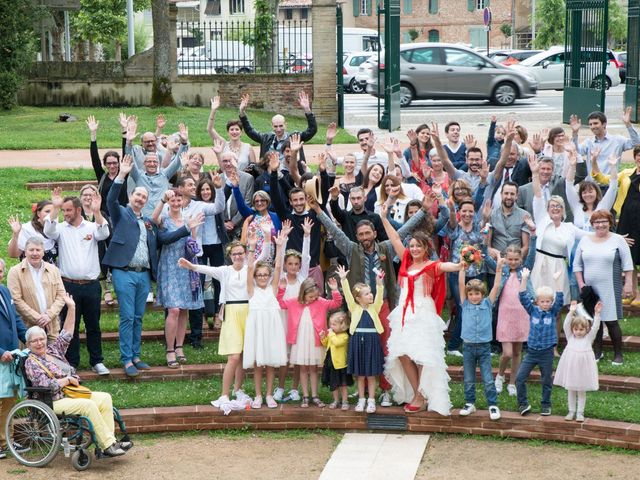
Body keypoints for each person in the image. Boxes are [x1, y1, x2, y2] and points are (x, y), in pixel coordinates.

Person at [313, 196, 433, 408]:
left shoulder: (385, 248)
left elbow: (403, 231)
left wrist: (423, 210)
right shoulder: (352, 249)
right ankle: (363, 394)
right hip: (360, 310)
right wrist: (319, 212)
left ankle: (385, 390)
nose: (364, 237)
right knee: (362, 348)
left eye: (368, 233)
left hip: (383, 304)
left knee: (386, 348)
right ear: (357, 237)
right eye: (360, 234)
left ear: (375, 234)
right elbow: (335, 231)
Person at [103, 156, 185, 377]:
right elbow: (110, 200)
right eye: (138, 195)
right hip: (124, 272)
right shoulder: (121, 214)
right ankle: (126, 359)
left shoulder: (148, 223)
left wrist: (185, 226)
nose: (140, 199)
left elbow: (162, 236)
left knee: (138, 317)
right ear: (131, 197)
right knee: (127, 317)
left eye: (144, 196)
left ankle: (136, 356)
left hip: (143, 275)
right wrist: (121, 174)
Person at [24, 293, 130, 458]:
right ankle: (108, 445)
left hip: (71, 394)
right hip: (53, 401)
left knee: (105, 398)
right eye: (35, 341)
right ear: (28, 344)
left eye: (42, 339)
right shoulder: (31, 362)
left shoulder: (53, 350)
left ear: (46, 339)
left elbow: (67, 333)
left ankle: (108, 443)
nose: (39, 343)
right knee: (88, 406)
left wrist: (72, 307)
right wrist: (66, 380)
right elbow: (45, 386)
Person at [178, 240, 270, 407]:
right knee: (234, 356)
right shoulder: (224, 271)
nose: (238, 256)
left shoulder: (251, 267)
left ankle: (238, 389)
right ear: (230, 256)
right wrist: (191, 265)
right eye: (234, 254)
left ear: (245, 254)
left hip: (250, 312)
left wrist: (266, 236)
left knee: (243, 355)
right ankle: (224, 394)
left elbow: (264, 254)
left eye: (240, 253)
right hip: (232, 312)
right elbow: (206, 269)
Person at [383, 227, 462, 415]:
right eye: (412, 246)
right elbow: (394, 238)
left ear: (426, 248)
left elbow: (447, 266)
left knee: (421, 354)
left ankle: (421, 396)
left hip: (422, 312)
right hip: (404, 313)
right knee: (402, 353)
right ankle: (418, 391)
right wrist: (384, 216)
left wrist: (461, 264)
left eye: (418, 246)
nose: (414, 249)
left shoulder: (431, 266)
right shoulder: (406, 262)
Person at [44, 191, 110, 375]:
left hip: (91, 285)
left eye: (68, 210)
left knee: (93, 325)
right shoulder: (61, 228)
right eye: (63, 210)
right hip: (68, 286)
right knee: (69, 325)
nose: (66, 214)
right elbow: (48, 230)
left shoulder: (90, 227)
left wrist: (97, 212)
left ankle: (96, 361)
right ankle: (72, 362)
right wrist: (55, 208)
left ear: (78, 210)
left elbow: (104, 233)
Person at [152, 189, 205, 368]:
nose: (175, 203)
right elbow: (154, 222)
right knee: (173, 309)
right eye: (172, 200)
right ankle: (169, 349)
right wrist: (162, 200)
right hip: (169, 267)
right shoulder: (164, 220)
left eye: (178, 200)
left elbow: (193, 243)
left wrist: (193, 231)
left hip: (186, 267)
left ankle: (180, 346)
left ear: (182, 201)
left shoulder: (189, 220)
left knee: (183, 309)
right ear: (169, 202)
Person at [573, 210, 633, 365]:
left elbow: (628, 264)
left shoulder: (618, 240)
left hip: (610, 286)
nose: (600, 224)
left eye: (603, 221)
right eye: (596, 222)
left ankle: (618, 354)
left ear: (610, 222)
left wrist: (628, 283)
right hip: (590, 289)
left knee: (611, 321)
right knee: (594, 321)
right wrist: (581, 284)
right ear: (592, 224)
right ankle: (597, 352)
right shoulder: (585, 240)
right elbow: (577, 265)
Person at [277, 276, 342, 409]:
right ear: (303, 293)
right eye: (311, 296)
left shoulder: (321, 302)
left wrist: (335, 290)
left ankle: (315, 395)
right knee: (302, 368)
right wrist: (281, 289)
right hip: (300, 339)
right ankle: (305, 395)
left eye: (315, 296)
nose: (313, 299)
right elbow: (280, 303)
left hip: (315, 339)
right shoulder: (294, 302)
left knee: (313, 368)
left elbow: (336, 303)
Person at [243, 229, 288, 409]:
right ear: (255, 277)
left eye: (265, 275)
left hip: (271, 329)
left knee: (270, 363)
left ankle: (269, 394)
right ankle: (258, 395)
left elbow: (278, 267)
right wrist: (252, 248)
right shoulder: (251, 291)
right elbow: (249, 268)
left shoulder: (273, 289)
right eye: (259, 275)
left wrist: (279, 246)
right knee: (257, 364)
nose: (262, 277)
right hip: (257, 329)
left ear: (269, 277)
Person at [457, 257, 503, 421]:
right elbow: (461, 285)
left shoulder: (487, 303)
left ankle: (493, 405)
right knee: (469, 378)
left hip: (484, 347)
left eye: (477, 293)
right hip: (468, 347)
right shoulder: (465, 304)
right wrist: (462, 267)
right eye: (471, 294)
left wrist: (498, 270)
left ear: (482, 294)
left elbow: (496, 286)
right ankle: (470, 403)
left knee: (488, 379)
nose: (474, 296)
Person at [484, 245, 533, 397]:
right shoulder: (502, 269)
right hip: (505, 314)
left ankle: (513, 382)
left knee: (517, 352)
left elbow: (532, 255)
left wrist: (533, 236)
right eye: (510, 259)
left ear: (521, 259)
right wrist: (483, 241)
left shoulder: (524, 271)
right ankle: (500, 375)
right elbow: (486, 258)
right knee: (507, 353)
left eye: (516, 259)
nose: (512, 262)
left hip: (521, 314)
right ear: (505, 258)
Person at [594, 145, 640, 306]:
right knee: (630, 256)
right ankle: (633, 292)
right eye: (638, 155)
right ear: (635, 158)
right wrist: (594, 162)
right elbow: (603, 179)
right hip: (627, 218)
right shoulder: (627, 173)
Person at [516, 268, 564, 416]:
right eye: (542, 301)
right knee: (519, 378)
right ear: (537, 301)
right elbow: (523, 297)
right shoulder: (533, 311)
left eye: (548, 301)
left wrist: (556, 281)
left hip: (547, 353)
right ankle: (523, 404)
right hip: (531, 352)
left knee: (546, 380)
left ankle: (546, 404)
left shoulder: (553, 311)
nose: (545, 304)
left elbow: (560, 299)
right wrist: (524, 278)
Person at [273, 219, 311, 402]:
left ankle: (295, 388)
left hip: (299, 322)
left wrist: (306, 235)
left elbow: (306, 255)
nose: (294, 267)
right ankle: (280, 387)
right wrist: (284, 239)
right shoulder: (281, 278)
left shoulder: (303, 277)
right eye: (291, 264)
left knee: (297, 357)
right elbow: (278, 260)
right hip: (283, 321)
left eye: (296, 264)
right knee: (283, 358)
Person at [338, 265, 385, 414]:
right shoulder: (354, 308)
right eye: (366, 294)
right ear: (358, 298)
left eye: (370, 293)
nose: (370, 296)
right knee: (360, 374)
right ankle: (361, 399)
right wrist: (343, 279)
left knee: (371, 374)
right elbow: (347, 294)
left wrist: (379, 284)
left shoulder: (374, 308)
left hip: (371, 342)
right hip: (357, 341)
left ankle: (371, 400)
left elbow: (379, 297)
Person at [443, 198, 486, 358]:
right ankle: (453, 345)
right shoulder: (454, 228)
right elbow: (452, 220)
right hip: (458, 275)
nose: (467, 214)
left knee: (477, 309)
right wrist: (452, 211)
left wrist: (486, 219)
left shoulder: (478, 227)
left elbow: (484, 244)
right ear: (460, 212)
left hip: (476, 273)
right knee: (463, 310)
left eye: (470, 211)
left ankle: (475, 344)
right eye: (464, 211)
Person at [239, 91, 317, 172]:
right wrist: (242, 112)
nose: (278, 129)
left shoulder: (294, 138)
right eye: (276, 126)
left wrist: (307, 110)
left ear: (285, 125)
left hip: (290, 174)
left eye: (281, 126)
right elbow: (250, 131)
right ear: (272, 126)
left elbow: (312, 130)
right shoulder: (266, 138)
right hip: (269, 174)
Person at [7, 237, 66, 341]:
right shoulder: (15, 272)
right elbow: (16, 300)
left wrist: (49, 315)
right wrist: (38, 318)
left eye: (38, 250)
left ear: (43, 252)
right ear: (25, 252)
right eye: (31, 250)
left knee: (54, 357)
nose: (35, 253)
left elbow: (61, 295)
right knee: (31, 357)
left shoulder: (54, 270)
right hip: (28, 329)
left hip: (52, 327)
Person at [124, 120, 186, 216]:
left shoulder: (165, 174)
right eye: (149, 161)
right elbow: (129, 159)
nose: (152, 164)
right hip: (144, 219)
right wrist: (128, 142)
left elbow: (178, 160)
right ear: (144, 163)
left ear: (158, 163)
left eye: (154, 162)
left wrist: (184, 143)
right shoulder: (138, 175)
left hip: (163, 219)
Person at [554, 300, 602, 423]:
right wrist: (571, 311)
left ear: (586, 329)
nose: (578, 332)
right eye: (576, 329)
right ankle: (571, 411)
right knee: (571, 389)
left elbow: (596, 327)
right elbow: (565, 324)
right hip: (571, 368)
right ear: (572, 329)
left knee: (581, 390)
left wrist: (597, 314)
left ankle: (580, 412)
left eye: (581, 329)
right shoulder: (570, 337)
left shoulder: (588, 338)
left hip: (583, 368)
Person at [0, 258, 28, 460]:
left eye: (1, 271)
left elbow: (16, 319)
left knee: (9, 400)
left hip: (11, 355)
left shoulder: (4, 291)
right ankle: (2, 442)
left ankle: (7, 439)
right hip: (1, 355)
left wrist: (29, 339)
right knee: (3, 401)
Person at [570, 108, 640, 175]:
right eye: (590, 124)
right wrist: (575, 133)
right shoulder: (588, 142)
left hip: (610, 183)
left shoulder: (617, 140)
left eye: (595, 123)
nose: (593, 126)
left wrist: (628, 124)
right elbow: (576, 151)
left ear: (604, 124)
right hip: (592, 185)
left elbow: (636, 143)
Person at [207, 96, 256, 172]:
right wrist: (213, 110)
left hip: (243, 181)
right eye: (231, 129)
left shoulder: (248, 147)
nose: (234, 132)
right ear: (228, 132)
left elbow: (254, 167)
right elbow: (210, 129)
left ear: (241, 132)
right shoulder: (223, 144)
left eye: (237, 129)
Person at [320, 311, 353, 411]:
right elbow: (327, 344)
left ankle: (345, 401)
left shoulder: (344, 336)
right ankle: (335, 400)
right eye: (330, 324)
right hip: (331, 363)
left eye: (334, 324)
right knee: (333, 384)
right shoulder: (332, 335)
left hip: (340, 365)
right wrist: (323, 338)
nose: (331, 326)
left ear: (342, 325)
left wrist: (330, 334)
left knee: (342, 384)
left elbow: (337, 343)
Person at [7, 199, 58, 264]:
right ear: (38, 213)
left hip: (51, 273)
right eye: (47, 211)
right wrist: (16, 234)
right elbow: (13, 255)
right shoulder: (27, 229)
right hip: (29, 272)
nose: (50, 215)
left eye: (53, 212)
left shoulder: (57, 229)